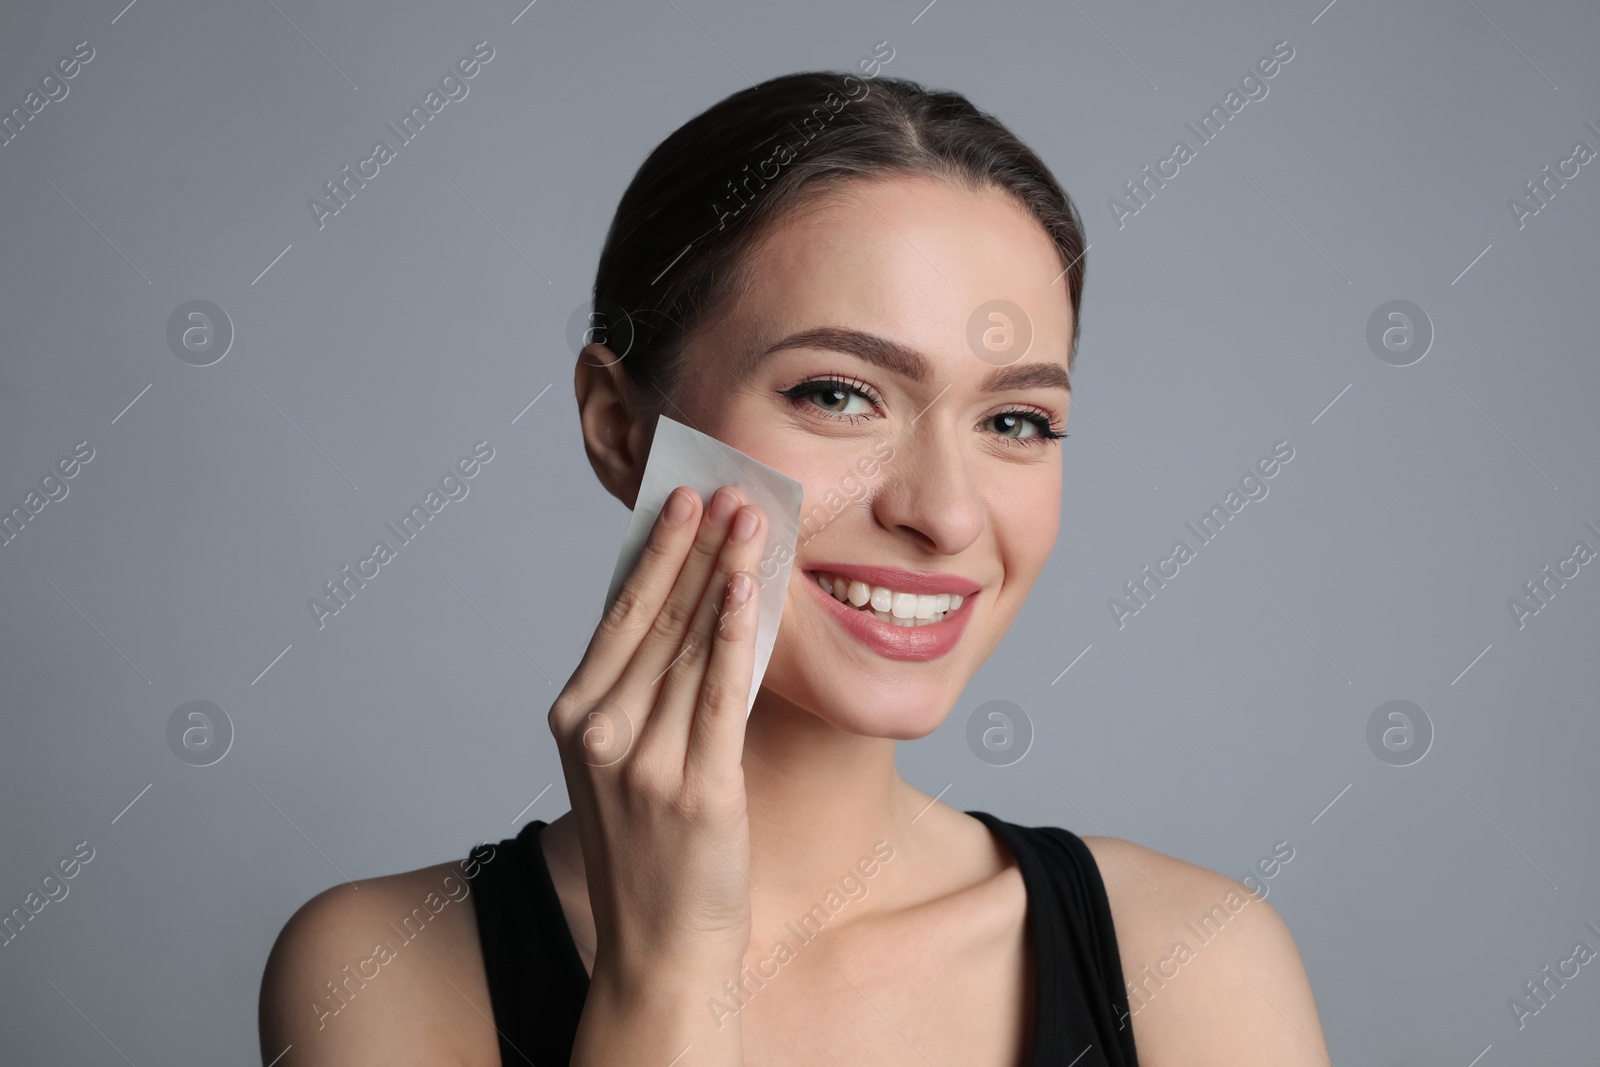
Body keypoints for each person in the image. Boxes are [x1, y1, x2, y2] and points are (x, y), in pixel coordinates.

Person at [259, 69, 1328, 1066]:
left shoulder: (1194, 965)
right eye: (837, 393)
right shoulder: (376, 968)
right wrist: (668, 968)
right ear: (621, 428)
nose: (944, 512)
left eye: (1014, 418)